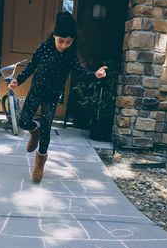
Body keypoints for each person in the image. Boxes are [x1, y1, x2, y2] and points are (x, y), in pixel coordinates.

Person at [8, 11, 107, 182]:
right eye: (60, 41)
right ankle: (34, 131)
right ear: (54, 35)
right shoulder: (44, 48)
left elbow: (80, 73)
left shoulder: (70, 55)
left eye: (68, 42)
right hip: (36, 91)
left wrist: (94, 75)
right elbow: (31, 67)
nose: (63, 45)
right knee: (24, 120)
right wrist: (18, 80)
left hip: (52, 97)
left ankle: (40, 162)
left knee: (47, 127)